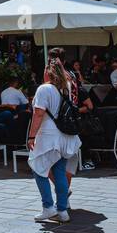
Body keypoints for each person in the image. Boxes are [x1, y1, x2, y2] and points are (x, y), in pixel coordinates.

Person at [27, 59, 82, 223]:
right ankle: (62, 210)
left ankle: (48, 208)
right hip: (66, 137)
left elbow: (38, 114)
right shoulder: (66, 88)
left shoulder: (44, 89)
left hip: (50, 137)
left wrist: (31, 136)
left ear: (47, 73)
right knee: (59, 172)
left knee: (37, 168)